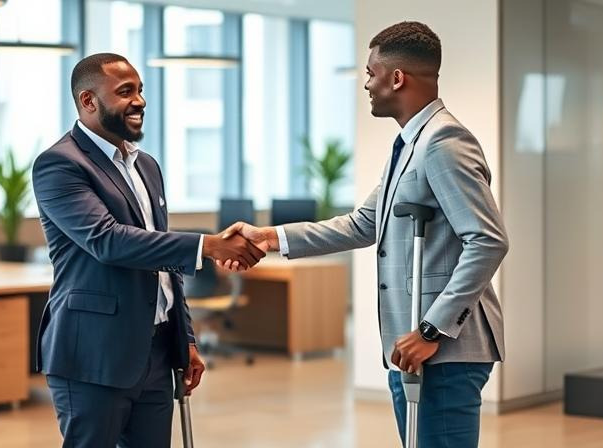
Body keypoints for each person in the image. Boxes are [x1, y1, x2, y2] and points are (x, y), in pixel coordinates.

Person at [220, 22, 508, 448]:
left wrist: (432, 330)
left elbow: (487, 240)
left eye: (370, 73)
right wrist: (268, 237)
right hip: (415, 344)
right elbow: (363, 223)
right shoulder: (411, 143)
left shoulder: (443, 141)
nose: (367, 85)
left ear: (397, 78)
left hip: (442, 347)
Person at [32, 52, 265, 448]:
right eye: (126, 92)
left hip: (156, 352)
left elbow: (163, 262)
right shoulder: (60, 164)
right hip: (94, 354)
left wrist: (185, 338)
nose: (139, 101)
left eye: (140, 91)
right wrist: (208, 245)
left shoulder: (147, 166)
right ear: (89, 101)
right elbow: (108, 240)